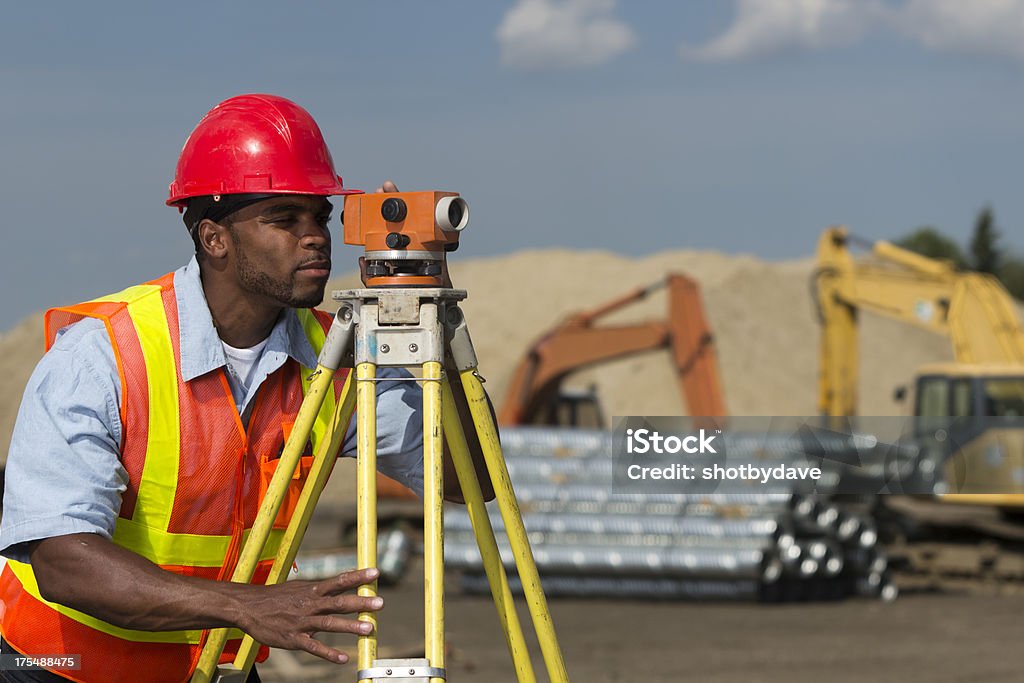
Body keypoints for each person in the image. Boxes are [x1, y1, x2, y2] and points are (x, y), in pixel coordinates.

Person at [0, 94, 493, 683]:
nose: (314, 238)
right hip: (61, 665)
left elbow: (471, 480)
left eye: (320, 218)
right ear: (214, 238)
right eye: (284, 219)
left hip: (215, 664)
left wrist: (432, 325)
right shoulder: (104, 353)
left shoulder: (334, 357)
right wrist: (244, 605)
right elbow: (62, 562)